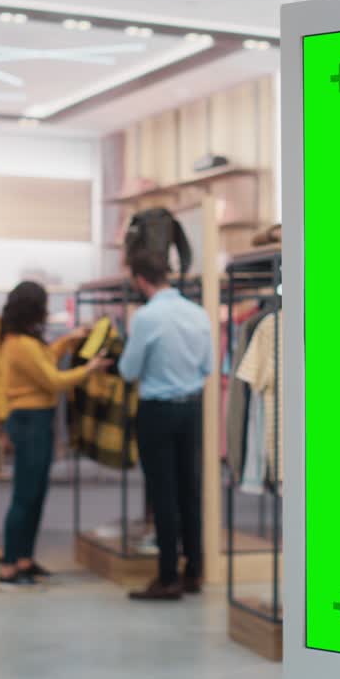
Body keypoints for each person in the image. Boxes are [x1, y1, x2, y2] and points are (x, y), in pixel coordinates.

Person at [0, 281, 109, 591]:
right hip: (29, 421)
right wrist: (91, 369)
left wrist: (68, 341)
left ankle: (24, 561)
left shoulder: (24, 340)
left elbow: (44, 358)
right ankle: (8, 568)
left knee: (35, 494)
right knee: (25, 496)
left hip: (37, 420)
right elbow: (53, 379)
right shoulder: (19, 344)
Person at [118, 251, 214, 601]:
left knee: (163, 493)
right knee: (190, 489)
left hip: (157, 410)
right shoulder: (198, 314)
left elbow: (129, 370)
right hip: (191, 409)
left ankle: (168, 576)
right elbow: (208, 367)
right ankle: (194, 572)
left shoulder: (146, 317)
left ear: (141, 280)